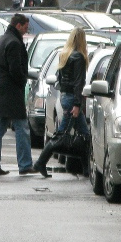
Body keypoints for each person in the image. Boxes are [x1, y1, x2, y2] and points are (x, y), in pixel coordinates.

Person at [32, 28, 90, 177]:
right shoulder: (79, 58)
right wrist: (77, 104)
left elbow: (60, 78)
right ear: (82, 40)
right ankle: (40, 162)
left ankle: (86, 169)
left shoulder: (65, 55)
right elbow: (78, 83)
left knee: (84, 134)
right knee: (61, 134)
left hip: (65, 96)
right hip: (72, 99)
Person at [0, 13, 34, 176]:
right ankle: (25, 164)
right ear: (18, 25)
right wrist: (23, 81)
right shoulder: (14, 43)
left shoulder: (2, 39)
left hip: (2, 89)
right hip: (12, 90)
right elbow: (15, 69)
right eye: (26, 27)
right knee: (21, 126)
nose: (26, 30)